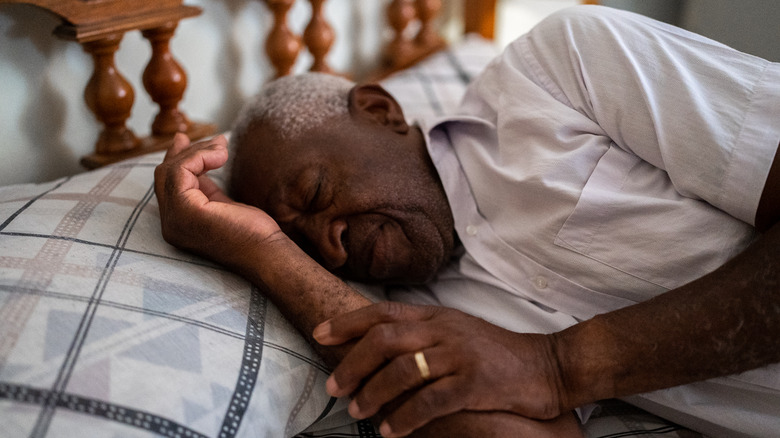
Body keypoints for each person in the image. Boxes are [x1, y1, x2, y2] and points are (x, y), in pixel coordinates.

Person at [154, 5, 780, 438]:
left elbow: (551, 371)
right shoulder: (431, 322)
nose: (331, 244)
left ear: (380, 110)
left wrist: (558, 367)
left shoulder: (561, 69)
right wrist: (266, 254)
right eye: (306, 246)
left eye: (316, 192)